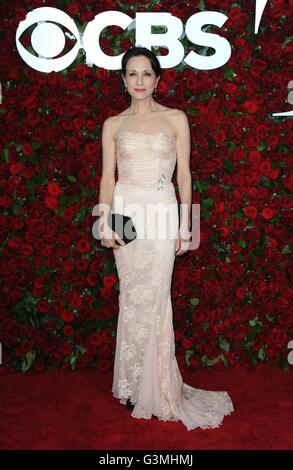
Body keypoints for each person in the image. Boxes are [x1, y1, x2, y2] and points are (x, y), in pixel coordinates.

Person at [97, 46, 234, 430]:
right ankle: (130, 384)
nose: (139, 81)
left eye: (146, 74)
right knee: (131, 296)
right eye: (131, 74)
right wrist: (104, 223)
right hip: (124, 211)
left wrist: (186, 225)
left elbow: (185, 175)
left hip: (161, 210)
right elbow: (109, 178)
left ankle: (156, 386)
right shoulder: (112, 124)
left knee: (155, 296)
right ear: (123, 80)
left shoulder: (176, 119)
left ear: (157, 79)